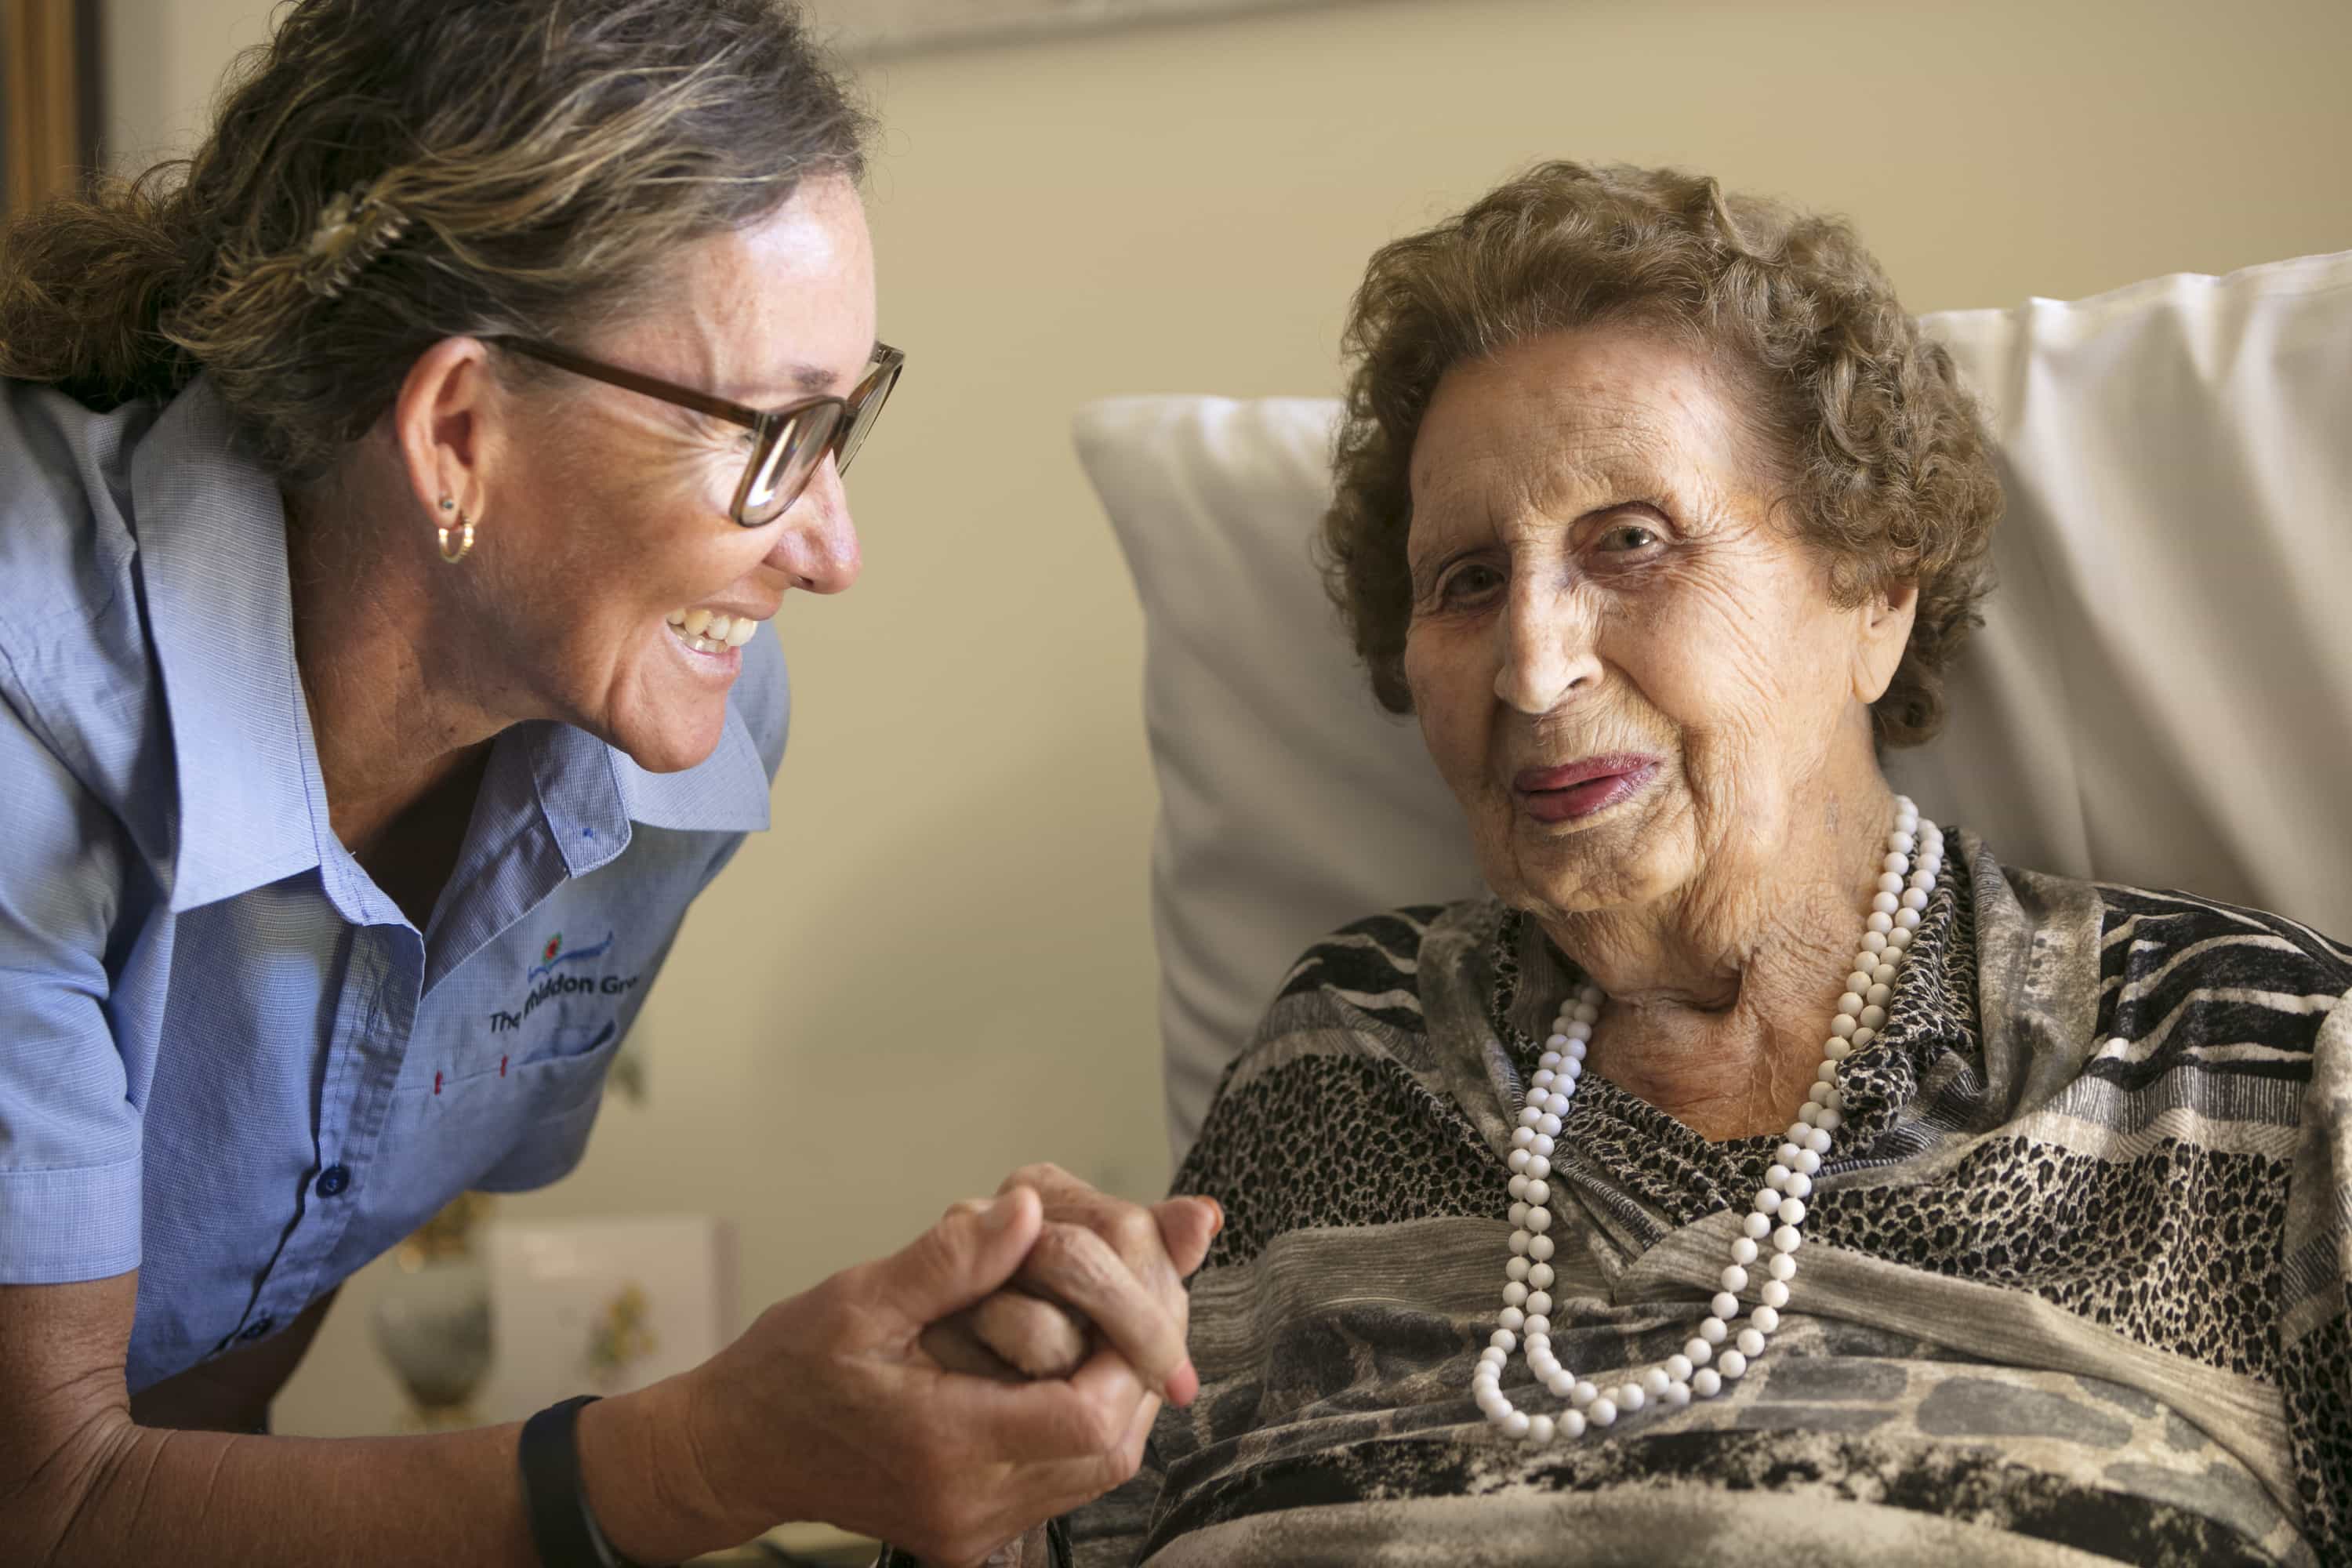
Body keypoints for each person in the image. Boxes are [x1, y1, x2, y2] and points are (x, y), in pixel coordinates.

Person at [0, 3, 1214, 1564]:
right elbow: (47, 1496)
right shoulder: (31, 724)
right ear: (457, 431)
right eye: (767, 434)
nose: (832, 552)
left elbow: (235, 1333)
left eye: (843, 423)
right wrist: (701, 1458)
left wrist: (914, 1381)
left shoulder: (664, 734)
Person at [1056, 164, 2352, 1564]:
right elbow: (1063, 1508)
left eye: (1631, 543)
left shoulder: (2247, 1061)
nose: (1537, 668)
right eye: (1469, 581)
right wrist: (988, 1410)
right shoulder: (1336, 1050)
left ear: (1874, 594)